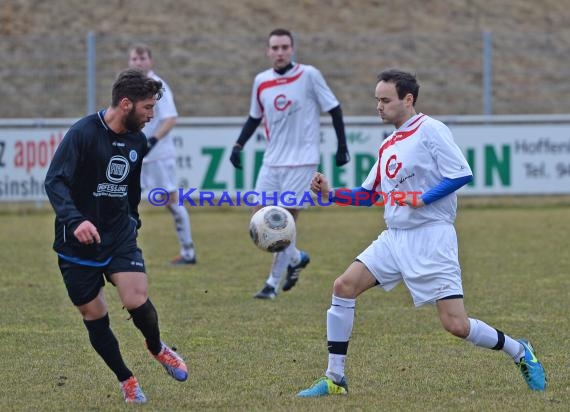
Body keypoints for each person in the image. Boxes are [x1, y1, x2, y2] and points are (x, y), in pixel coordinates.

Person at [297, 69, 546, 397]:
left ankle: (518, 350)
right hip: (394, 237)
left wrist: (423, 197)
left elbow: (461, 173)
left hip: (431, 237)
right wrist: (330, 193)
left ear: (408, 99)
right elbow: (367, 194)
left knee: (455, 324)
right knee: (343, 286)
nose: (379, 107)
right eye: (377, 100)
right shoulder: (389, 144)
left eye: (386, 100)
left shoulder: (431, 130)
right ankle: (334, 378)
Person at [45, 69, 188, 404]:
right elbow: (55, 181)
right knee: (94, 315)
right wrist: (75, 220)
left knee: (136, 298)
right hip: (75, 240)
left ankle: (157, 348)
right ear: (126, 104)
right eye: (148, 107)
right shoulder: (83, 133)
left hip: (118, 234)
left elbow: (131, 188)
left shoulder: (137, 141)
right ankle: (127, 380)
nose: (152, 115)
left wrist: (133, 220)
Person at [230, 28, 350, 299]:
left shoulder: (309, 75)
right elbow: (253, 117)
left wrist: (342, 146)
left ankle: (271, 285)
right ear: (268, 51)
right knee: (257, 215)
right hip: (272, 160)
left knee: (284, 221)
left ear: (292, 49)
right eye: (275, 47)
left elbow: (334, 108)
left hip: (302, 160)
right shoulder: (261, 80)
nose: (280, 52)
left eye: (285, 47)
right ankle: (295, 258)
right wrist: (238, 145)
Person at [128, 43, 196, 265]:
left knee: (172, 203)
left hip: (157, 157)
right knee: (123, 201)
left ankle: (188, 252)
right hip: (134, 156)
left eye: (142, 58)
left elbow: (170, 118)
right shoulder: (128, 88)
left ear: (150, 61)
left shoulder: (158, 86)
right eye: (134, 59)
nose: (138, 62)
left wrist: (152, 141)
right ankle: (124, 250)